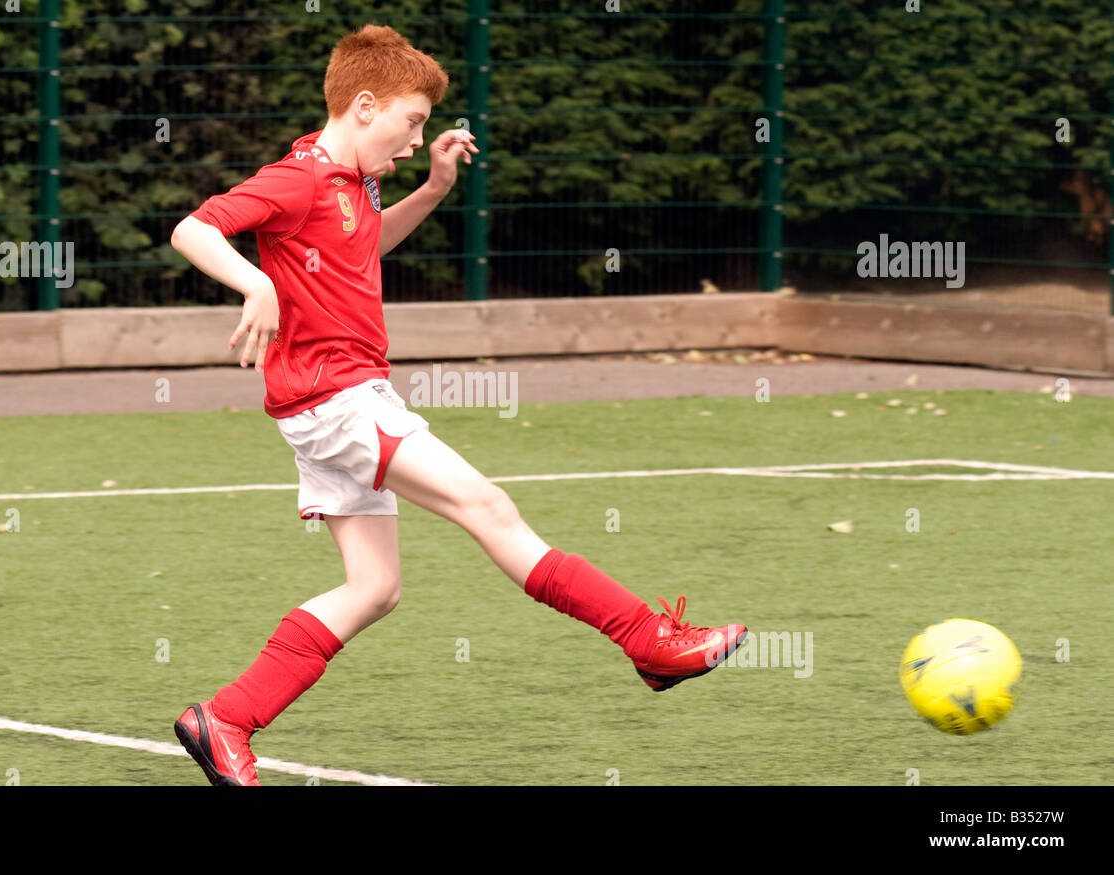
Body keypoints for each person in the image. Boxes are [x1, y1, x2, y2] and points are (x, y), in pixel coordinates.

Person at [169, 24, 747, 786]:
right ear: (366, 105)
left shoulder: (354, 179)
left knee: (374, 589)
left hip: (332, 400)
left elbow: (361, 247)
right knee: (489, 507)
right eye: (411, 123)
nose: (416, 140)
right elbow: (194, 227)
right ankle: (649, 639)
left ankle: (227, 719)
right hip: (336, 397)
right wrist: (256, 282)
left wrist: (433, 189)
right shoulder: (300, 176)